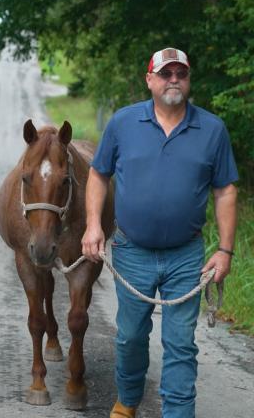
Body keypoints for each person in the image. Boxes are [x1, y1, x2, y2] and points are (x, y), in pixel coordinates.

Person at [81, 48, 238, 418]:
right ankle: (128, 400)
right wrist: (92, 225)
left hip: (186, 256)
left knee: (181, 343)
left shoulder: (212, 129)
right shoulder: (123, 123)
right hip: (132, 250)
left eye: (180, 73)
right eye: (165, 73)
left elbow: (225, 190)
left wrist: (225, 251)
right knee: (131, 336)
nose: (173, 80)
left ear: (188, 80)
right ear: (149, 79)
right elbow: (99, 174)